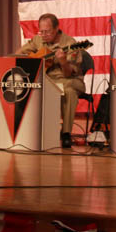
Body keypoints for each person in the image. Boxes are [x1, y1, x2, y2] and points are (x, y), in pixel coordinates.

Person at [18, 13, 86, 148]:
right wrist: (34, 59)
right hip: (48, 80)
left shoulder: (70, 44)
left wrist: (63, 61)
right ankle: (28, 131)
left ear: (56, 29)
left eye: (47, 31)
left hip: (69, 80)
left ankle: (66, 133)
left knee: (68, 91)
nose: (43, 34)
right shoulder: (38, 40)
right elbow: (19, 54)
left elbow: (68, 74)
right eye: (41, 31)